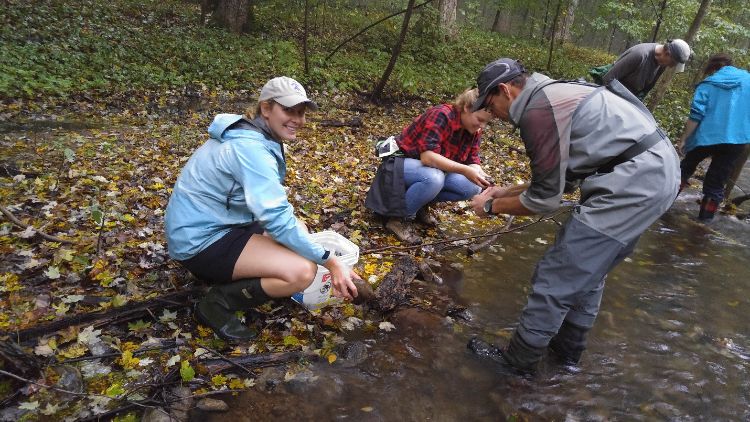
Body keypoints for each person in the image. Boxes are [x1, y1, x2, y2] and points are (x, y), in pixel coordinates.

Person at [466, 58, 680, 373]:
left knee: (557, 274)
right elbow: (560, 182)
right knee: (590, 270)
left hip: (633, 181)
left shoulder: (537, 112)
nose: (491, 113)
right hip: (659, 174)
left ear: (505, 90)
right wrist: (505, 192)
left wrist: (487, 207)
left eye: (490, 103)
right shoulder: (553, 93)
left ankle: (518, 365)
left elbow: (544, 200)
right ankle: (566, 358)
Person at [165, 76, 359, 342]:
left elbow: (272, 210)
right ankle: (216, 305)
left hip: (225, 220)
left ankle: (251, 276)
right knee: (302, 271)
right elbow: (276, 218)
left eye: (301, 113)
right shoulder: (250, 148)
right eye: (289, 110)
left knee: (299, 230)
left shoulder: (255, 135)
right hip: (198, 241)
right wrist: (331, 261)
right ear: (266, 109)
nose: (298, 120)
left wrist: (321, 256)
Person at [365, 89, 493, 244]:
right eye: (480, 119)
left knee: (471, 186)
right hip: (400, 166)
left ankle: (420, 205)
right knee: (433, 178)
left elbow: (473, 159)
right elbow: (428, 157)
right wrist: (466, 170)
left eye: (486, 122)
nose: (482, 127)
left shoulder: (473, 129)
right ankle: (398, 219)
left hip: (433, 169)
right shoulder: (441, 115)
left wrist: (480, 174)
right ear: (466, 108)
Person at [677, 53, 750, 222]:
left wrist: (684, 139)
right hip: (736, 140)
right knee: (716, 183)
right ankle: (703, 224)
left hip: (705, 138)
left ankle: (661, 205)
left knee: (684, 169)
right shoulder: (748, 80)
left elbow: (696, 115)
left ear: (713, 68)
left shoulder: (708, 84)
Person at [597, 39, 691, 100]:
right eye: (672, 63)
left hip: (627, 100)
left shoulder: (662, 64)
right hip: (608, 96)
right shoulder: (639, 55)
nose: (671, 66)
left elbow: (645, 91)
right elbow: (607, 79)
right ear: (667, 53)